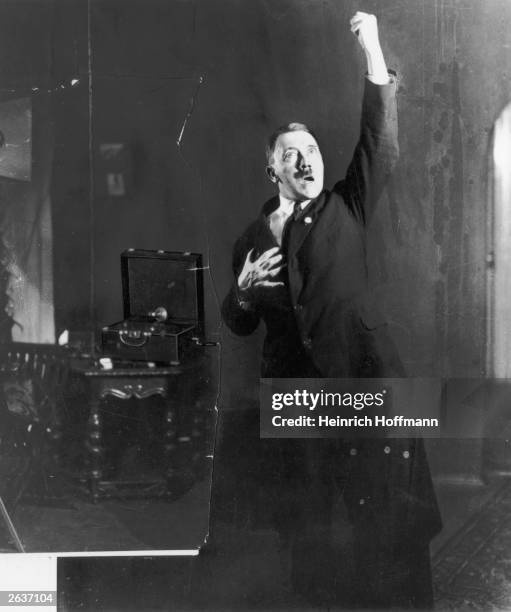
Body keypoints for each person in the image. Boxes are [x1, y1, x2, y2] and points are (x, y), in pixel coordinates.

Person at [216, 11, 442, 609]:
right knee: (308, 525)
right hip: (297, 395)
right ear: (273, 168)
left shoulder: (348, 205)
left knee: (392, 517)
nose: (306, 160)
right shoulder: (251, 239)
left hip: (366, 380)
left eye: (312, 149)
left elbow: (379, 140)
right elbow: (238, 324)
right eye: (292, 155)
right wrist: (239, 294)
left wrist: (372, 47)